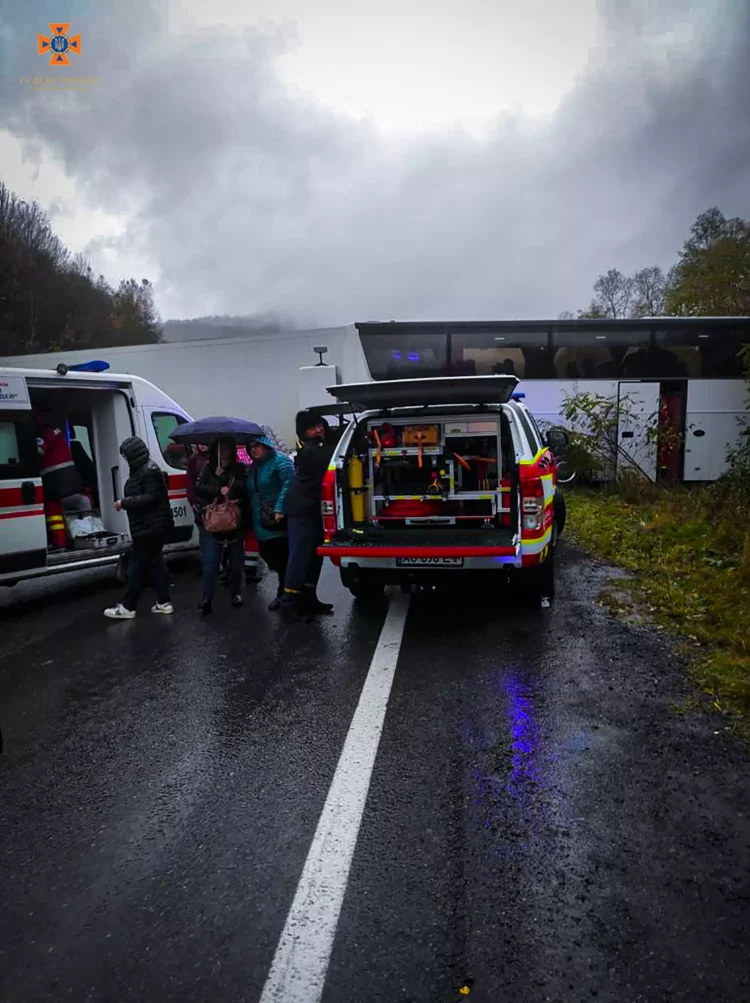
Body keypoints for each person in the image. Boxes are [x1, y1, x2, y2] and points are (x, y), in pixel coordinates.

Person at [104, 436, 175, 619]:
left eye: (127, 455)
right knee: (156, 564)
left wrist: (124, 502)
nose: (125, 459)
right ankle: (164, 602)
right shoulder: (143, 469)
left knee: (137, 566)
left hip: (150, 528)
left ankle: (128, 606)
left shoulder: (148, 471)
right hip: (150, 527)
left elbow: (151, 498)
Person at [279, 412, 335, 622]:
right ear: (304, 432)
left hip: (313, 509)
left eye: (320, 425)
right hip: (301, 510)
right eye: (312, 427)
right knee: (300, 557)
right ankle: (289, 604)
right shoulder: (311, 450)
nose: (319, 429)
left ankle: (309, 599)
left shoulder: (314, 448)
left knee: (314, 557)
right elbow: (332, 454)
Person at [194, 438, 247, 615]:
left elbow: (244, 487)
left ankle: (235, 593)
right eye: (220, 449)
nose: (223, 452)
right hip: (213, 521)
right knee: (211, 562)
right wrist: (217, 489)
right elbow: (198, 487)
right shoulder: (208, 468)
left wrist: (224, 478)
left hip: (235, 521)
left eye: (226, 449)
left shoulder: (239, 468)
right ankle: (206, 598)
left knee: (235, 562)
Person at [246, 433, 295, 610]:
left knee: (281, 558)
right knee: (268, 555)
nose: (254, 450)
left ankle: (284, 593)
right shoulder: (254, 467)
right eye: (251, 448)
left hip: (276, 519)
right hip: (260, 520)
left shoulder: (281, 461)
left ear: (266, 446)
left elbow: (288, 484)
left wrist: (280, 508)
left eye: (257, 446)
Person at [35, 413, 91, 549]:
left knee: (53, 510)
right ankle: (88, 535)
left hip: (54, 486)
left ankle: (60, 543)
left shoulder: (44, 435)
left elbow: (36, 452)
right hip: (69, 484)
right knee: (84, 502)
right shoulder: (56, 434)